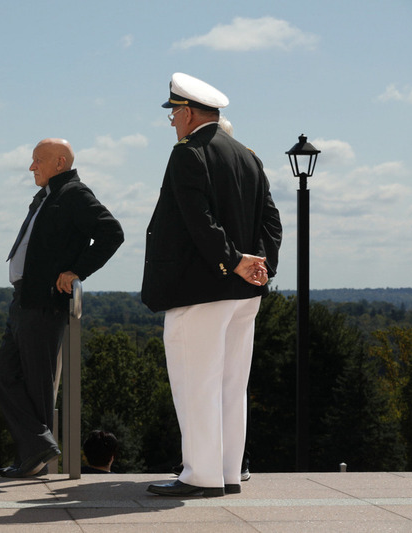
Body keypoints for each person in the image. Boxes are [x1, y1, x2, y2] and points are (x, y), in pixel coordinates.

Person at [141, 73, 281, 497]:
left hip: (200, 288)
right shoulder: (247, 156)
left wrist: (235, 261)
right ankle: (228, 472)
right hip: (243, 293)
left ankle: (201, 475)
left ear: (186, 113)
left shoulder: (189, 154)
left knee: (195, 382)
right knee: (231, 385)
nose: (171, 122)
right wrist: (261, 267)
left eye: (173, 114)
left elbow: (197, 220)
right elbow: (271, 221)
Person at [0, 138, 124, 478]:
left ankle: (34, 459)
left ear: (60, 162)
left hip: (45, 303)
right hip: (24, 300)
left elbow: (112, 232)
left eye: (38, 160)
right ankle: (38, 446)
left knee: (38, 384)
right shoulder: (50, 195)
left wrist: (77, 270)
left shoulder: (74, 194)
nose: (31, 167)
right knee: (3, 373)